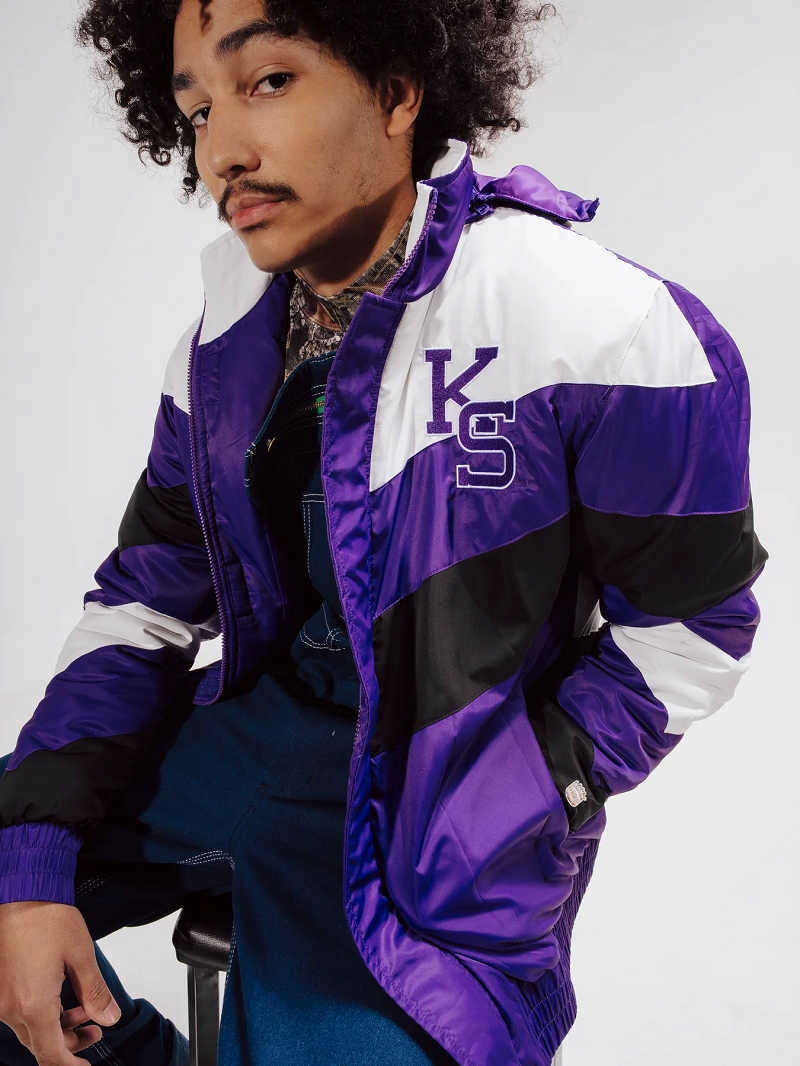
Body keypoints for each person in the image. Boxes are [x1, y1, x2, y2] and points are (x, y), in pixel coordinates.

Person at [0, 0, 768, 1063]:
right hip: (251, 743)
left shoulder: (603, 326)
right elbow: (142, 606)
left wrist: (526, 790)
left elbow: (692, 628)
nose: (222, 151)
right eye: (197, 109)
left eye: (269, 81)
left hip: (444, 810)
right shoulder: (221, 350)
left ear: (398, 90)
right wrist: (30, 863)